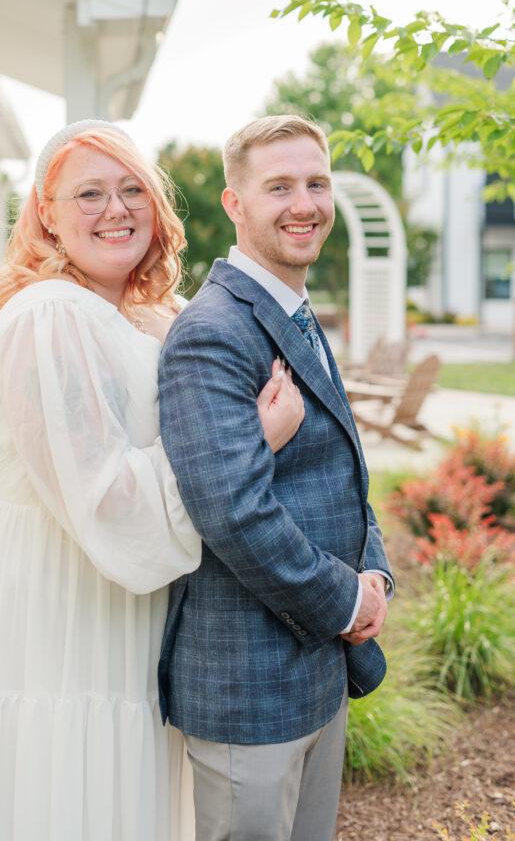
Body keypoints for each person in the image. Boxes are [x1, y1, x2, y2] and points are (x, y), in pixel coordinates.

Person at [0, 119, 303, 841]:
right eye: (89, 194)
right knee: (49, 778)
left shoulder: (139, 313)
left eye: (131, 189)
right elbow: (107, 498)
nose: (116, 210)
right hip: (48, 593)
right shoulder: (51, 315)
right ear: (45, 212)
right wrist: (250, 442)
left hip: (103, 586)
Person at [158, 114, 394, 841]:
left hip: (317, 673)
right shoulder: (211, 332)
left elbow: (342, 465)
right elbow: (232, 513)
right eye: (279, 187)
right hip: (248, 692)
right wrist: (344, 599)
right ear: (235, 204)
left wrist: (375, 572)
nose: (305, 204)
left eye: (316, 183)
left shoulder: (292, 308)